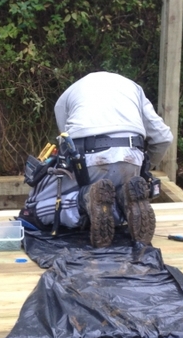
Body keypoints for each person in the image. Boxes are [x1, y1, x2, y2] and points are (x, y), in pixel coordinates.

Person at [20, 71, 174, 247]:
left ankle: (83, 201)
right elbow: (163, 137)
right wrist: (144, 169)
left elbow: (66, 142)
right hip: (133, 156)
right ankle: (124, 199)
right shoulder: (134, 88)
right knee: (108, 196)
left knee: (32, 209)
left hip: (86, 159)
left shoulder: (67, 95)